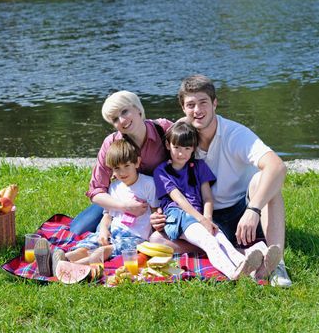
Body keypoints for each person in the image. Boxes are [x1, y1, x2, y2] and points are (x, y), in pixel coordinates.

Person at [150, 74, 291, 286]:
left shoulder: (235, 134)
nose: (197, 110)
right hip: (203, 216)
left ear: (215, 103)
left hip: (242, 212)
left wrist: (253, 211)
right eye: (191, 105)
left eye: (203, 102)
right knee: (157, 240)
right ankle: (245, 254)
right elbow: (165, 175)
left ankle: (278, 266)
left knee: (265, 179)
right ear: (183, 109)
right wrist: (156, 213)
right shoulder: (182, 137)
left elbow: (277, 166)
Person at [69, 91, 195, 244]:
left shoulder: (163, 129)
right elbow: (96, 191)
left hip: (161, 199)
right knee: (77, 230)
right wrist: (124, 206)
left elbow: (187, 145)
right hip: (123, 198)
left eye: (124, 111)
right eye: (115, 119)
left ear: (138, 109)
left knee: (168, 234)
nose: (122, 120)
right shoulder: (112, 144)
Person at [153, 120, 268, 280]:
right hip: (178, 216)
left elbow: (207, 197)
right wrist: (201, 219)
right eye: (177, 148)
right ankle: (232, 272)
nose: (181, 153)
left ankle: (246, 264)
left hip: (198, 216)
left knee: (220, 237)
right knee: (209, 241)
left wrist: (207, 218)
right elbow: (178, 199)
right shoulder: (162, 171)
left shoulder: (198, 166)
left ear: (193, 148)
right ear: (168, 145)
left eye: (187, 148)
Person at [62, 139, 159, 265]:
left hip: (135, 237)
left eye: (127, 166)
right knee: (89, 243)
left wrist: (155, 239)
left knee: (106, 250)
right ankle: (63, 258)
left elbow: (155, 213)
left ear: (137, 162)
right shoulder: (114, 187)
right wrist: (103, 230)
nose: (122, 172)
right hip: (113, 232)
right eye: (117, 168)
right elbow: (107, 215)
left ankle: (75, 266)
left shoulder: (148, 185)